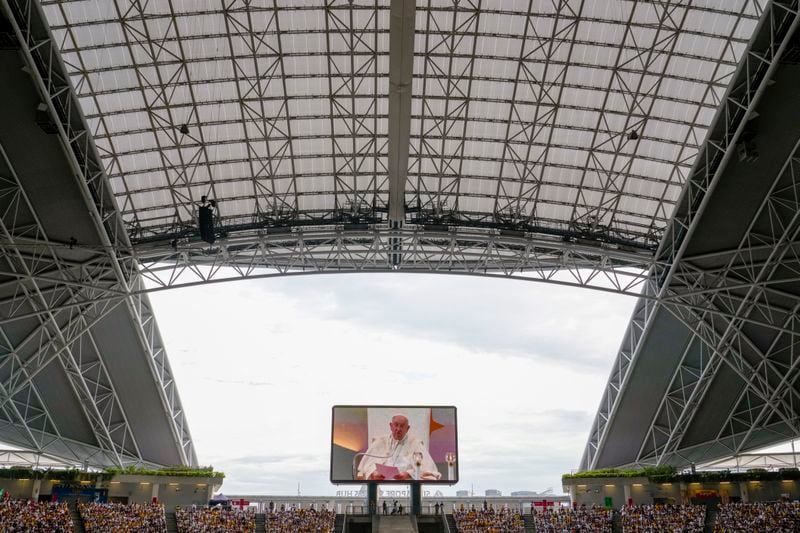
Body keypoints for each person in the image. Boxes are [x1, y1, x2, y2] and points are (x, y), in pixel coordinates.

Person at [356, 414, 441, 480]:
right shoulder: (380, 442)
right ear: (391, 426)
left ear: (407, 428)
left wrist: (408, 474)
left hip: (406, 487)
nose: (398, 429)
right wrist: (373, 474)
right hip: (381, 486)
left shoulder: (415, 444)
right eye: (396, 425)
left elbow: (429, 472)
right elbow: (365, 468)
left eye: (402, 426)